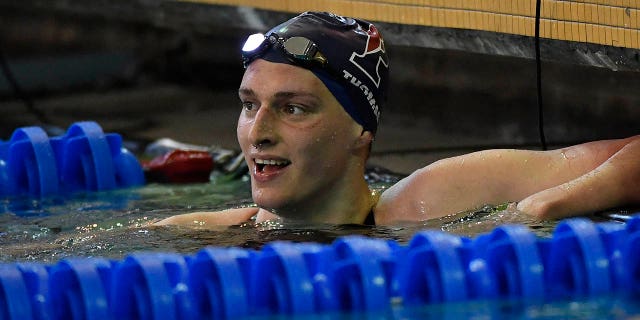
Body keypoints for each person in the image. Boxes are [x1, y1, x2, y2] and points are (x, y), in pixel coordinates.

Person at [156, 11, 640, 227]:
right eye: (248, 104)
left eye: (292, 109)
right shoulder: (204, 233)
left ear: (359, 132)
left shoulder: (430, 200)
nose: (257, 133)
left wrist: (544, 206)